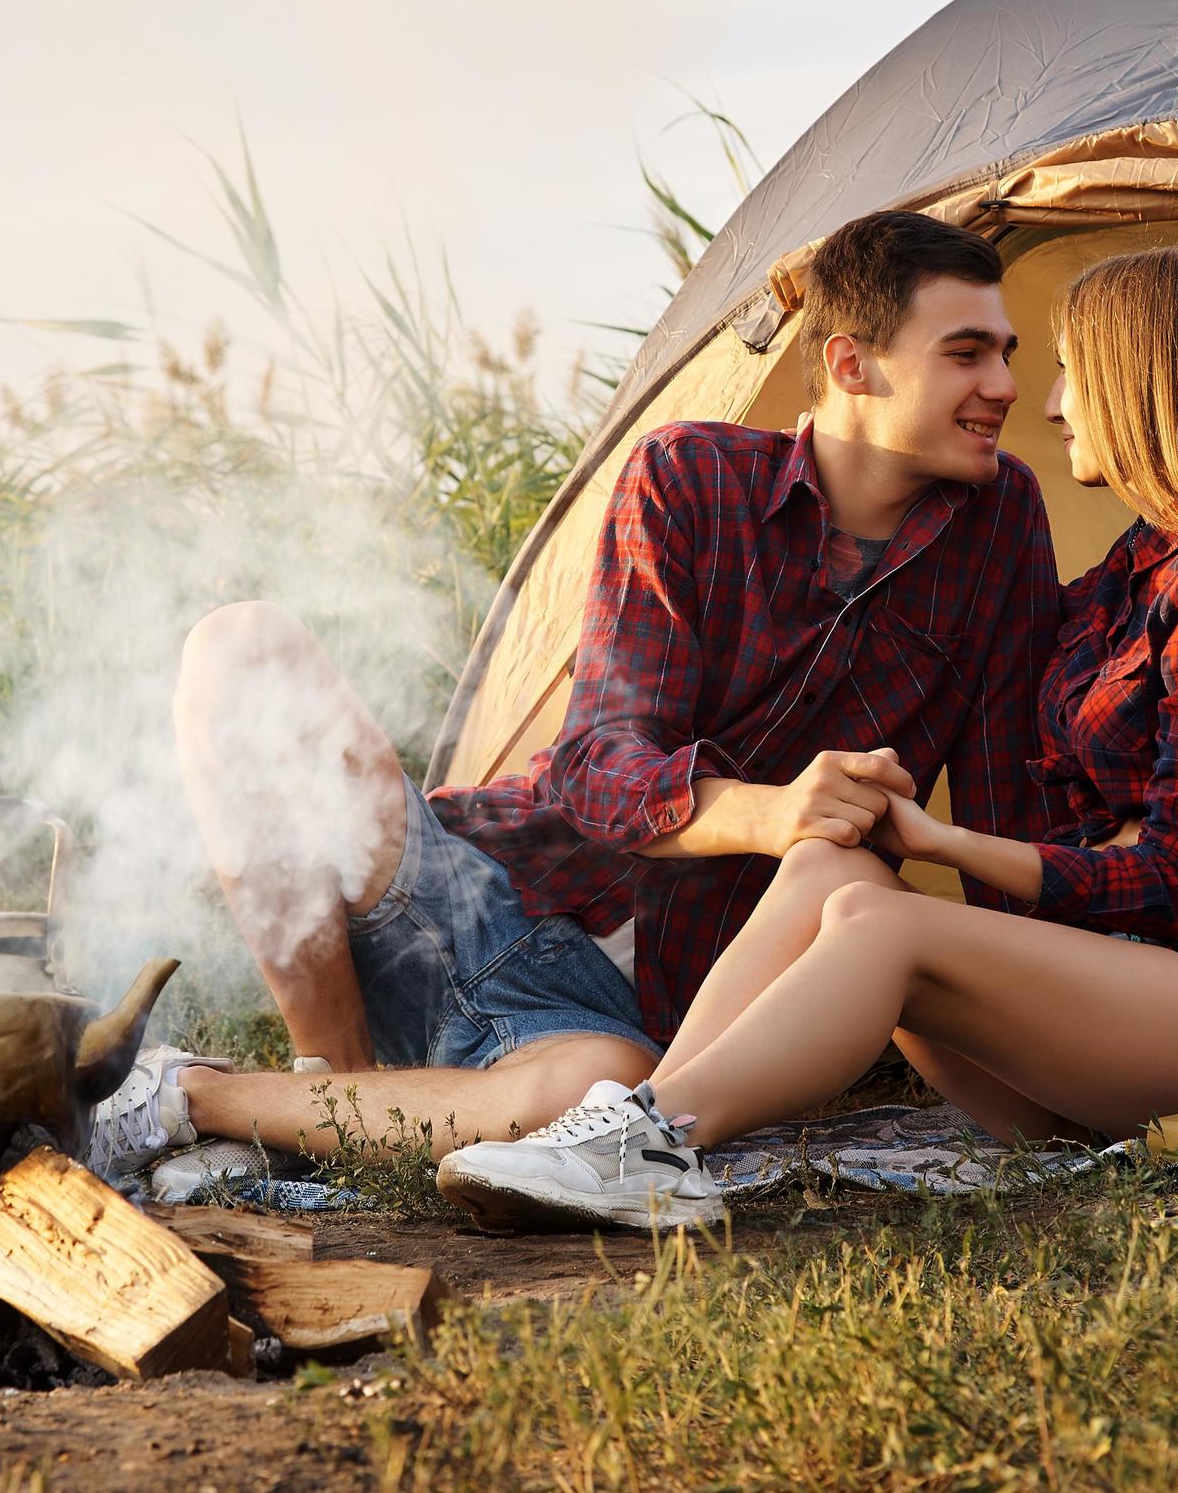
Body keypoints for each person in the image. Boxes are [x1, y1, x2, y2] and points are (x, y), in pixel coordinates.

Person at [91, 212, 1063, 1178]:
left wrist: (1055, 1041)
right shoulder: (689, 478)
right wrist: (770, 813)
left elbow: (1000, 804)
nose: (1005, 388)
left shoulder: (1001, 520)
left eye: (1006, 354)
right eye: (966, 353)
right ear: (853, 364)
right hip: (488, 899)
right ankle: (329, 1077)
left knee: (594, 1098)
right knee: (241, 646)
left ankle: (194, 1095)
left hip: (635, 1024)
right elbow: (595, 770)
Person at [433, 242, 1178, 1230]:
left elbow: (1176, 883)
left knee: (887, 919)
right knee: (833, 872)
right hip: (1097, 1023)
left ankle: (657, 1136)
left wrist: (937, 841)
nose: (1041, 402)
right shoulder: (1127, 575)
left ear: (1145, 384)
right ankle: (635, 1131)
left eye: (1068, 371)